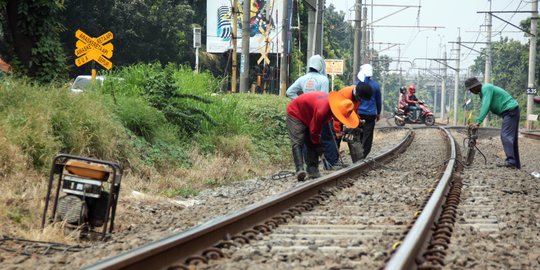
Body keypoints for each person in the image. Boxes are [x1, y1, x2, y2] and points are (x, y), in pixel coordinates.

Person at [286, 91, 360, 181]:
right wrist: (318, 145)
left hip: (309, 113)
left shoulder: (331, 107)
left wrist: (317, 143)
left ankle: (312, 170)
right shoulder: (323, 110)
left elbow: (316, 128)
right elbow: (314, 130)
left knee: (311, 141)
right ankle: (300, 170)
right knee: (298, 141)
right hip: (296, 112)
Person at [286, 55, 340, 170]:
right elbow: (324, 98)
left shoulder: (302, 79)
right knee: (327, 137)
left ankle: (308, 165)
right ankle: (329, 163)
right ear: (321, 66)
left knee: (307, 139)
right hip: (321, 112)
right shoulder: (323, 79)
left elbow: (289, 92)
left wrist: (300, 102)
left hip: (305, 114)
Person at [464, 77, 521, 169]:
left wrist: (478, 122)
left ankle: (511, 162)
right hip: (510, 111)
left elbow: (486, 105)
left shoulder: (486, 88)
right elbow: (486, 106)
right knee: (511, 138)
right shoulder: (483, 92)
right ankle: (515, 163)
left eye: (470, 89)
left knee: (505, 135)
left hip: (510, 111)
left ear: (474, 87)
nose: (471, 92)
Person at [353, 63, 382, 159]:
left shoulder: (355, 84)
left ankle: (356, 153)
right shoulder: (375, 85)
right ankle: (363, 155)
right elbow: (378, 101)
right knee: (367, 135)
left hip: (357, 114)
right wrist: (378, 113)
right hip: (370, 114)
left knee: (357, 134)